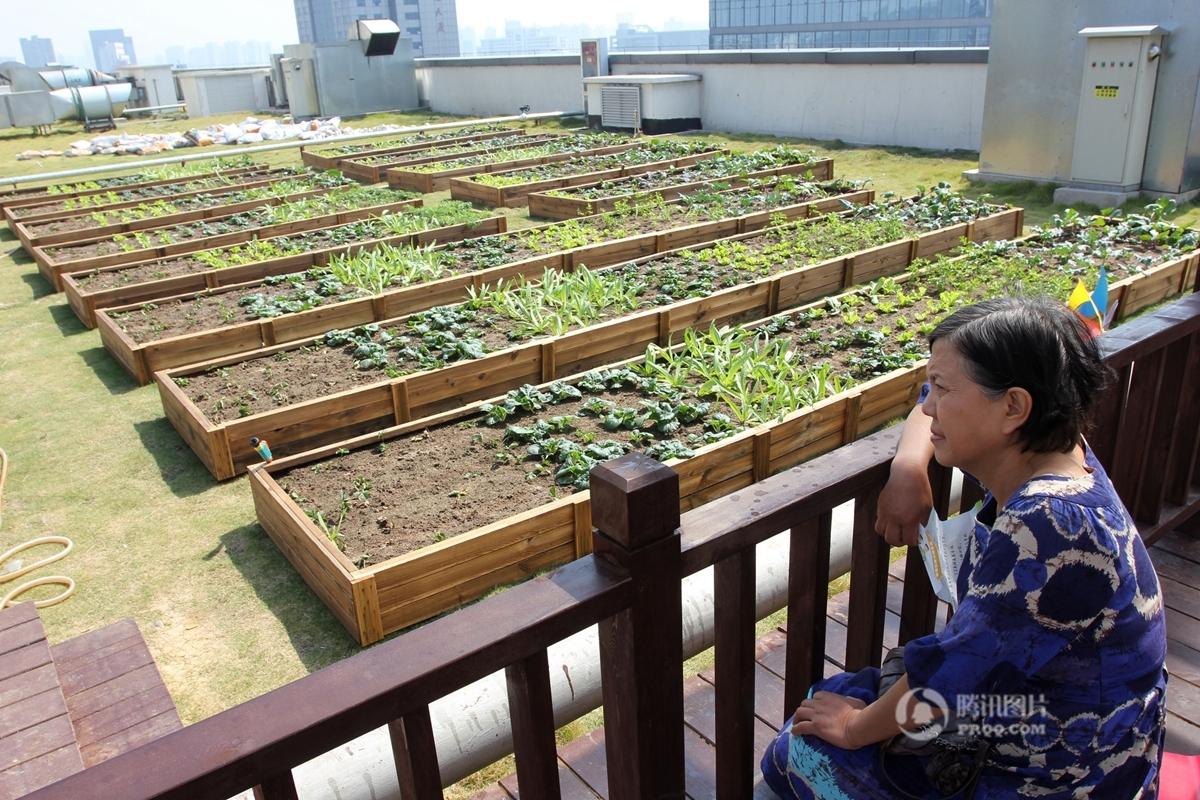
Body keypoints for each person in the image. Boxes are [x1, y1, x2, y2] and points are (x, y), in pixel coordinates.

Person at [761, 297, 1168, 798]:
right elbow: (926, 410)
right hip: (1084, 723)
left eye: (944, 389)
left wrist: (853, 728)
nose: (928, 404)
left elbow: (948, 686)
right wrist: (909, 466)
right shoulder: (1063, 454)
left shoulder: (1050, 530)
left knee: (796, 752)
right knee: (840, 698)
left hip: (1064, 766)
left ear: (1013, 407)